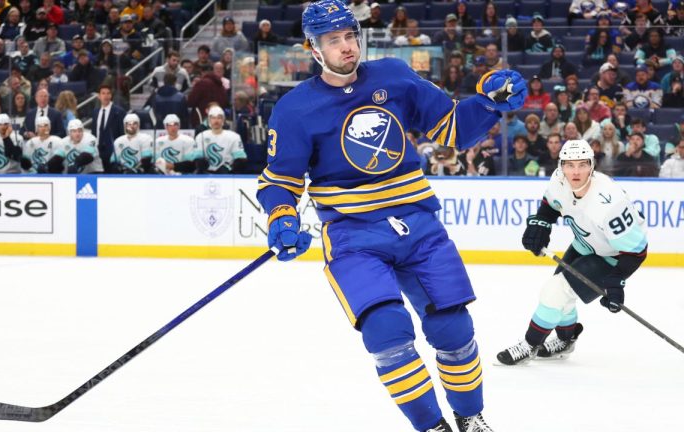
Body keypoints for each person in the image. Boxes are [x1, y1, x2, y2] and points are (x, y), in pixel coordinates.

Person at [255, 2, 527, 431]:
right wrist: (282, 216)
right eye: (333, 40)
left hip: (419, 225)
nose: (347, 47)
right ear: (313, 48)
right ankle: (431, 427)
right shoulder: (294, 109)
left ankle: (470, 418)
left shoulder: (394, 76)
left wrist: (490, 103)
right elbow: (279, 181)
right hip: (353, 235)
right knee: (386, 331)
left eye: (350, 35)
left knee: (454, 329)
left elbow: (452, 129)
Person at [497, 139, 648, 365]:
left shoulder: (609, 203)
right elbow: (551, 204)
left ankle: (529, 345)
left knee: (554, 291)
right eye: (569, 165)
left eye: (582, 165)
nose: (575, 172)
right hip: (585, 243)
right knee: (561, 294)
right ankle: (566, 340)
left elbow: (637, 252)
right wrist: (541, 223)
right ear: (561, 166)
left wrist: (617, 280)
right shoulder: (558, 180)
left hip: (613, 255)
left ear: (592, 165)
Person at [194, 106, 247, 174]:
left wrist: (229, 168)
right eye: (213, 118)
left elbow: (240, 158)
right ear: (209, 120)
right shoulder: (201, 136)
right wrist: (200, 162)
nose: (216, 121)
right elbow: (197, 157)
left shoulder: (234, 137)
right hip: (206, 174)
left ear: (223, 120)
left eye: (219, 118)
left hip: (227, 174)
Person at [91, 84, 127, 173]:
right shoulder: (95, 112)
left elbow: (122, 133)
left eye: (108, 93)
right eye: (103, 93)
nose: (106, 96)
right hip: (98, 151)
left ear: (111, 95)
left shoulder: (119, 111)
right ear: (99, 96)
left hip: (113, 152)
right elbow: (94, 132)